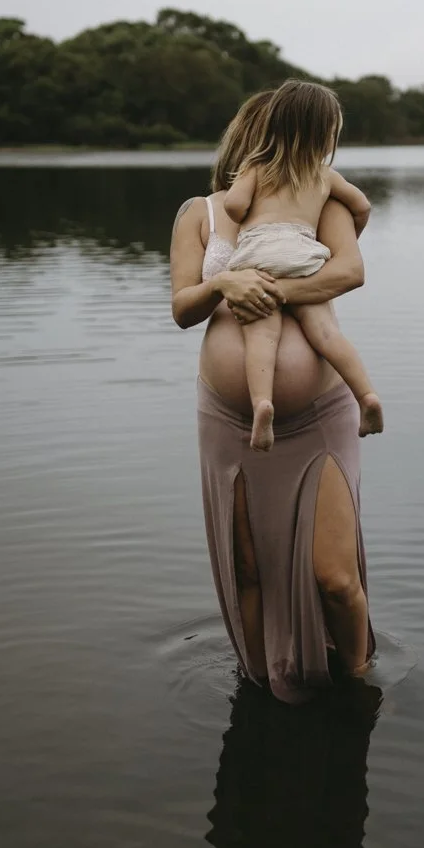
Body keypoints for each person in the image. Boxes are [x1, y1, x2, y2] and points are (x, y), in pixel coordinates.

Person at [170, 88, 376, 704]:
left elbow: (349, 269)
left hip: (319, 414)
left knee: (335, 578)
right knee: (250, 571)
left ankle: (361, 681)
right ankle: (261, 687)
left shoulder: (315, 196)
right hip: (231, 419)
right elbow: (182, 308)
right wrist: (225, 282)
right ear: (248, 140)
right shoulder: (199, 214)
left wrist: (278, 290)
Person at [223, 80, 383, 451]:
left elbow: (233, 206)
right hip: (304, 255)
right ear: (327, 136)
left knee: (262, 337)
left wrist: (247, 209)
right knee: (328, 334)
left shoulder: (257, 165)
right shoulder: (325, 176)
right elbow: (362, 206)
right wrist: (347, 234)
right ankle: (367, 396)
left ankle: (263, 404)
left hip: (260, 256)